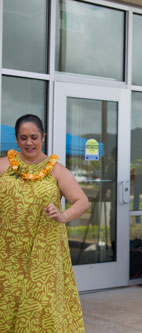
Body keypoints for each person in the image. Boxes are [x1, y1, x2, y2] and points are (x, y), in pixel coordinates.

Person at [0, 114, 90, 332]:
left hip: (44, 250)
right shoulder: (3, 166)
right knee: (7, 301)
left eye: (33, 137)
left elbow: (82, 201)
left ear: (43, 137)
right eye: (23, 138)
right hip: (7, 251)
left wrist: (63, 216)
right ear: (16, 139)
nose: (29, 142)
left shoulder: (56, 170)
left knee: (39, 305)